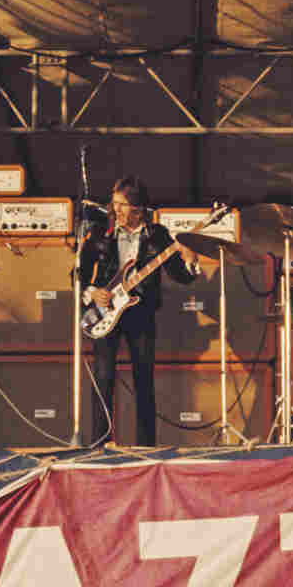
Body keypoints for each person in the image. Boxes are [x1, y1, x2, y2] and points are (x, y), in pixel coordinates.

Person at [79, 175, 199, 446]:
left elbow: (179, 275)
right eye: (114, 204)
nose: (116, 210)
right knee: (103, 379)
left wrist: (190, 261)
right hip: (105, 310)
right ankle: (100, 444)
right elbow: (79, 273)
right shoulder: (100, 233)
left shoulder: (157, 235)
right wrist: (92, 292)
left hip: (140, 313)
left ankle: (146, 446)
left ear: (138, 208)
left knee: (144, 381)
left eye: (122, 205)